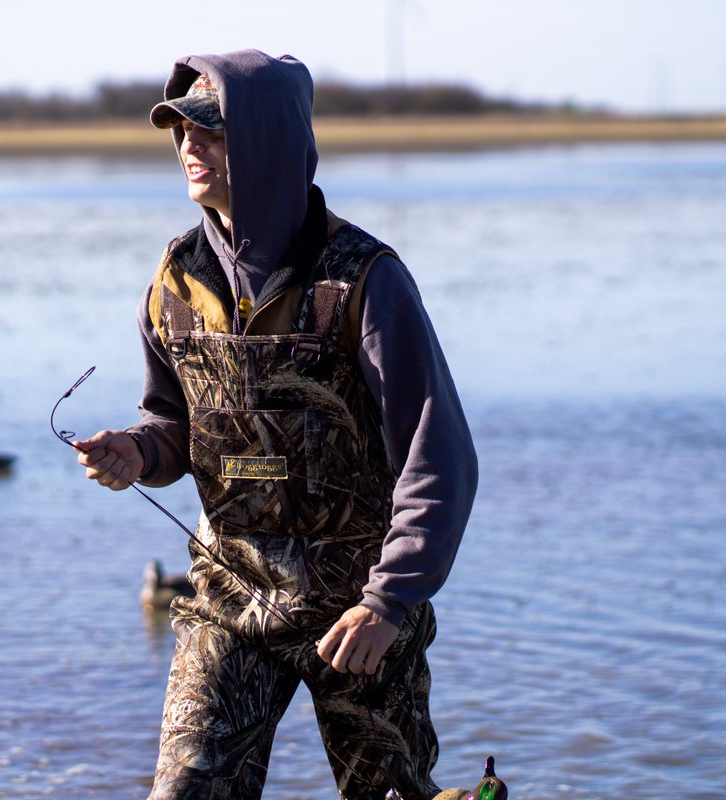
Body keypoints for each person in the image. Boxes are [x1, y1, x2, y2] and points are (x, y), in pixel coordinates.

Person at [74, 49, 477, 800]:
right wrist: (137, 452)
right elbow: (172, 425)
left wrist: (390, 602)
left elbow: (439, 459)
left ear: (268, 142)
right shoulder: (175, 281)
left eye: (212, 130)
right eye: (182, 130)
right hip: (230, 601)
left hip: (359, 615)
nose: (190, 146)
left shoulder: (365, 279)